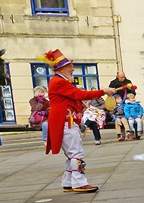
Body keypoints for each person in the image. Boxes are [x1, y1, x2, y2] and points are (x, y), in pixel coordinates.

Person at [41, 49, 117, 193]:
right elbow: (79, 94)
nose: (72, 69)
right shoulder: (59, 82)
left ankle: (68, 182)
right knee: (76, 153)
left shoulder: (59, 81)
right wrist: (103, 91)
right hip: (65, 122)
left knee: (72, 153)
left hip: (66, 121)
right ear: (61, 69)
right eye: (69, 66)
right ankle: (79, 182)